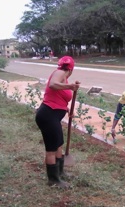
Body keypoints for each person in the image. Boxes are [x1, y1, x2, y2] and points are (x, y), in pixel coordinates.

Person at [35, 56, 80, 188]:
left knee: (59, 144)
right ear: (71, 68)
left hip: (53, 115)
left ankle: (60, 172)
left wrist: (66, 110)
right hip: (47, 115)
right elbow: (52, 85)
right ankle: (53, 180)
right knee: (51, 149)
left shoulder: (64, 78)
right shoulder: (60, 73)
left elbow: (58, 97)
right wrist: (70, 86)